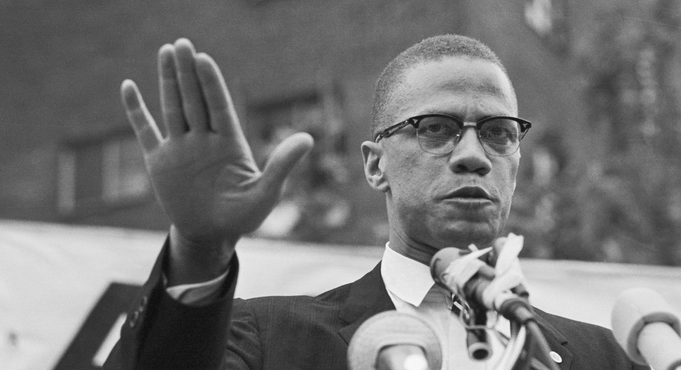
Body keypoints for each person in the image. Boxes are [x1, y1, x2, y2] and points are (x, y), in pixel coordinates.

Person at [104, 35, 643, 369]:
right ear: (374, 164)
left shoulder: (606, 359)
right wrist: (199, 251)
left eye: (500, 133)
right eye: (436, 129)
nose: (474, 156)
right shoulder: (270, 341)